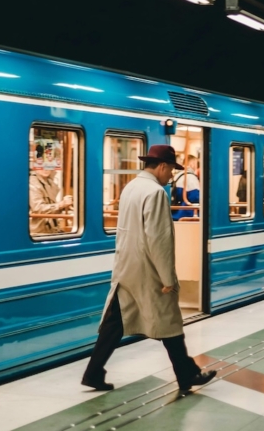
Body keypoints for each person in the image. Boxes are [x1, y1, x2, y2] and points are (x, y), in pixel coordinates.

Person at [82, 145, 216, 392]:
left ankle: (93, 372)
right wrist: (168, 278)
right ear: (163, 166)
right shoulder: (155, 193)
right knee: (170, 324)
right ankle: (187, 376)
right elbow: (159, 239)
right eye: (171, 171)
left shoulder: (130, 187)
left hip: (126, 266)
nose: (170, 177)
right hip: (148, 270)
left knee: (115, 322)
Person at [28, 168, 73, 234]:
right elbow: (38, 208)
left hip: (51, 229)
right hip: (38, 232)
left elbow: (52, 209)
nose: (45, 169)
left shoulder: (50, 182)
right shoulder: (32, 183)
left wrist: (64, 207)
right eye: (41, 166)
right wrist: (61, 204)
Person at [171, 155, 200, 220]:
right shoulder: (191, 177)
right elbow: (195, 197)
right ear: (192, 164)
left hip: (176, 214)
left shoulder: (177, 176)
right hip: (187, 215)